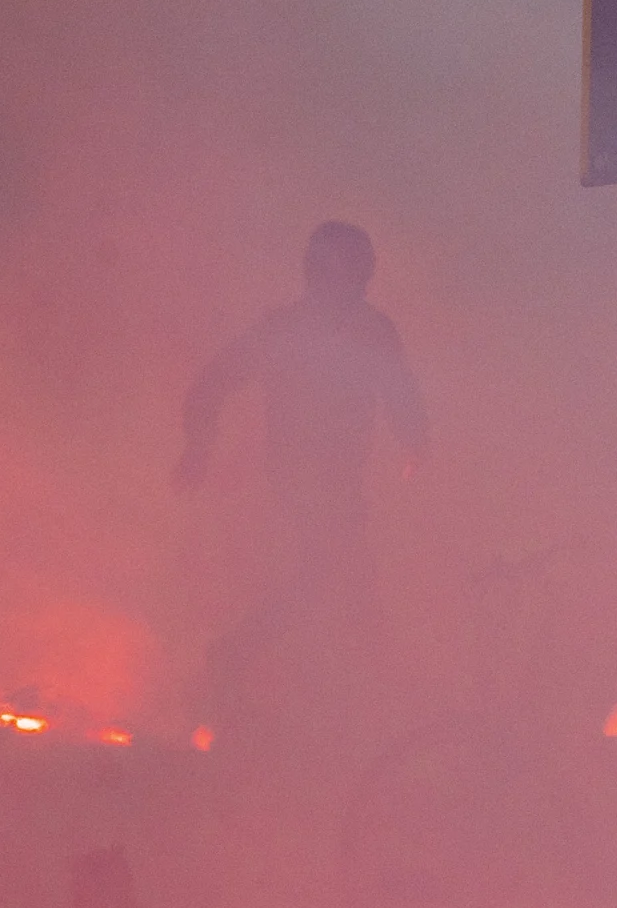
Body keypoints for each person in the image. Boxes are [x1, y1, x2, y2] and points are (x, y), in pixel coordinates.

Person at [176, 222, 429, 677]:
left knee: (341, 588)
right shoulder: (285, 330)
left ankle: (357, 690)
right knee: (326, 586)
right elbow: (212, 383)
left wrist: (415, 443)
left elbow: (400, 392)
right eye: (348, 266)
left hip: (338, 487)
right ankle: (235, 660)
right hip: (295, 486)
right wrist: (197, 447)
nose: (357, 278)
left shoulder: (370, 331)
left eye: (360, 267)